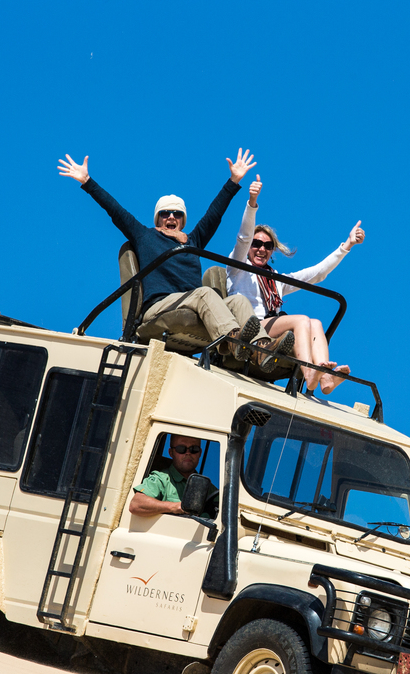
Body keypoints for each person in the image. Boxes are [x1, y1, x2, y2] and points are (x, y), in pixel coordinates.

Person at [57, 150, 291, 369]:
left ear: (183, 219)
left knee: (238, 301)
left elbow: (214, 214)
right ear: (158, 219)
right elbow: (115, 211)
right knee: (206, 293)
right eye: (165, 213)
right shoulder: (144, 236)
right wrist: (87, 182)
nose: (171, 217)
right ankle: (232, 340)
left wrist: (233, 182)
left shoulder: (193, 241)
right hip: (159, 307)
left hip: (196, 303)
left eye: (177, 214)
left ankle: (261, 348)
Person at [226, 174, 364, 393]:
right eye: (257, 243)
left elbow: (315, 274)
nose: (261, 248)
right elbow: (243, 237)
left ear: (272, 251)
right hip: (249, 327)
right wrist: (252, 203)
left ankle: (326, 380)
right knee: (301, 321)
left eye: (267, 245)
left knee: (316, 323)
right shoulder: (238, 268)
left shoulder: (275, 279)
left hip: (271, 326)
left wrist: (347, 245)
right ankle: (309, 374)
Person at [128, 435, 217, 517]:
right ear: (171, 453)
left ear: (200, 453)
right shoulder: (161, 480)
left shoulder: (209, 489)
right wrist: (175, 507)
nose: (188, 453)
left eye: (194, 449)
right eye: (181, 449)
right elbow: (136, 504)